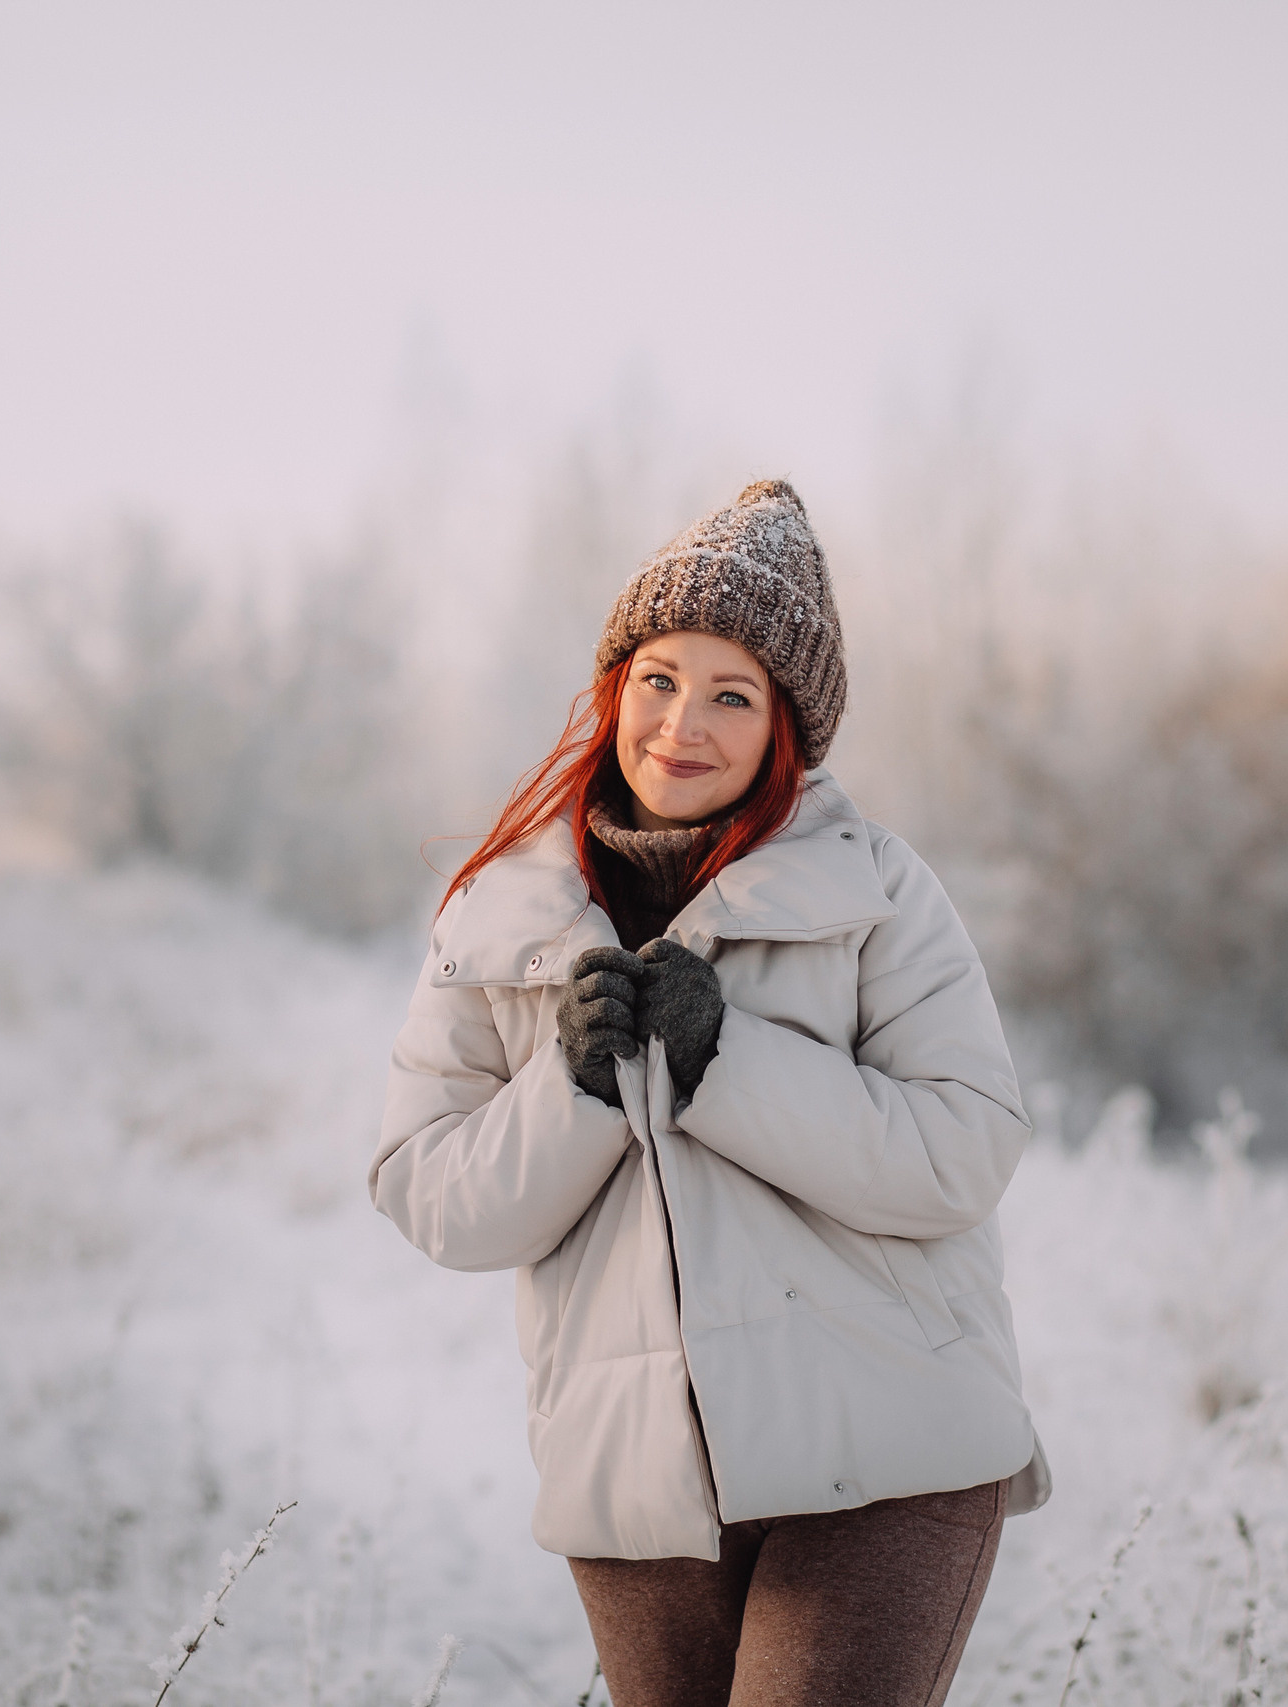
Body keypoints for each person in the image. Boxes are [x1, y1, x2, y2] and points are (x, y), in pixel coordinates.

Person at [371, 479, 1049, 1707]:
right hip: (637, 1488)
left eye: (732, 694)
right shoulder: (501, 915)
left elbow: (963, 1150)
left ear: (786, 727)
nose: (682, 723)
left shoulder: (876, 892)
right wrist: (571, 1092)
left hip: (883, 1456)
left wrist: (729, 1061)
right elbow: (434, 1198)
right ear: (614, 685)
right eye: (659, 679)